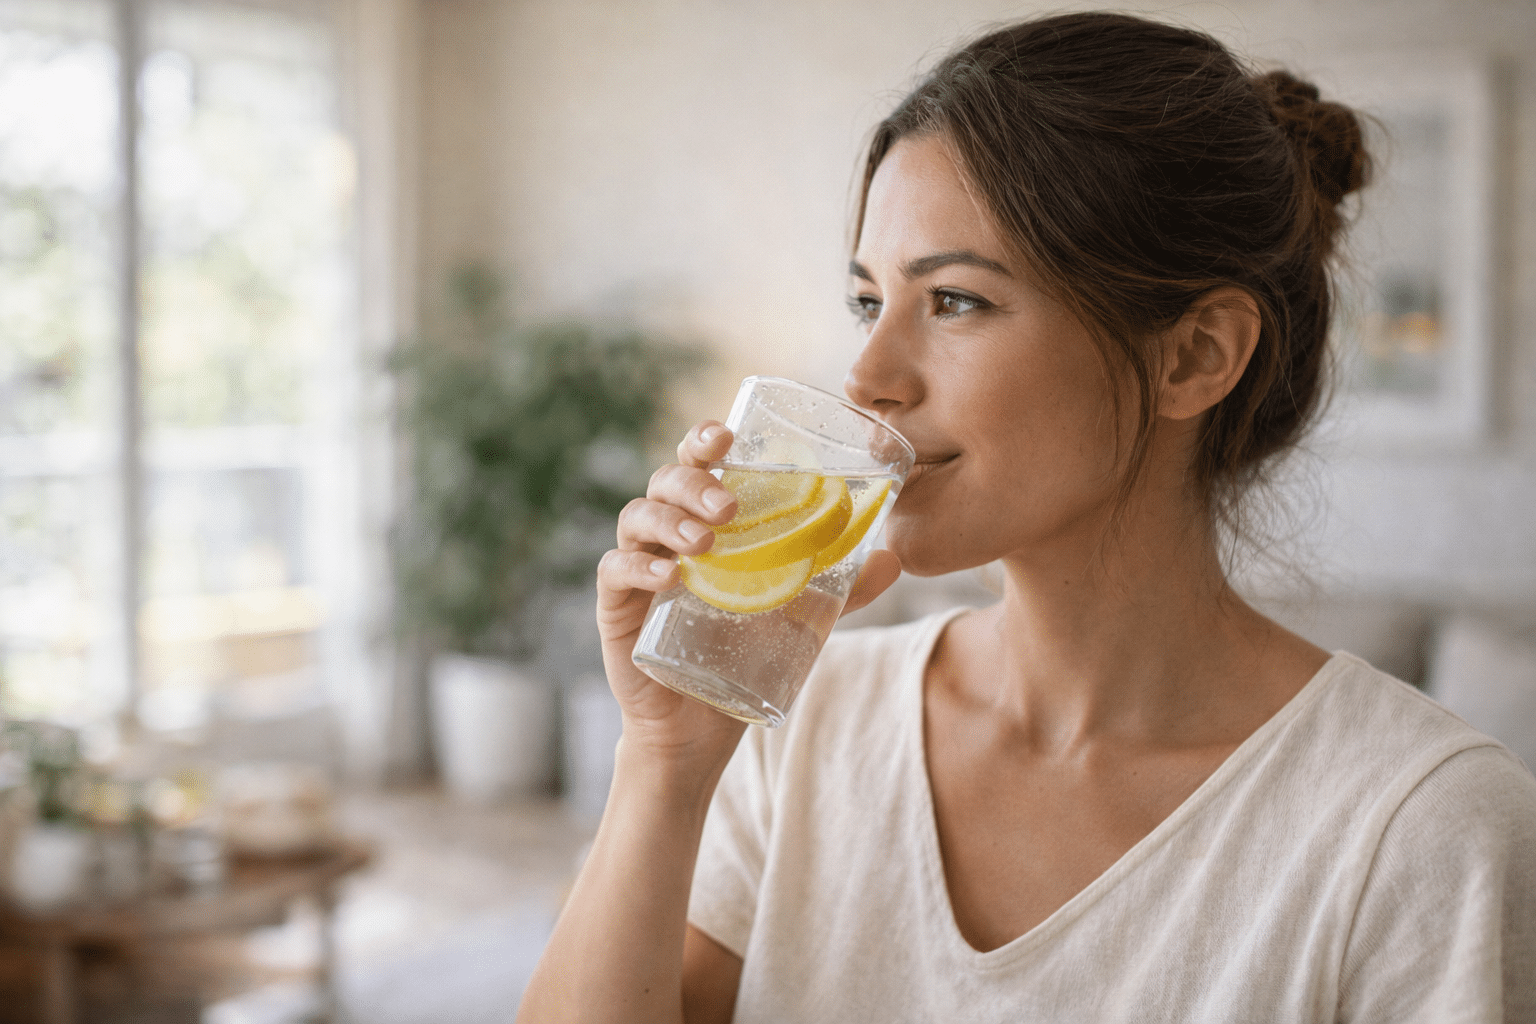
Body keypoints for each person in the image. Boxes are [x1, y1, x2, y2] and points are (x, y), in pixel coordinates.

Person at [518, 12, 1536, 1023]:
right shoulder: (806, 727)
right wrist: (664, 763)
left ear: (1194, 356)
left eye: (955, 301)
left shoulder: (1421, 828)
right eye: (869, 302)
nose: (866, 376)